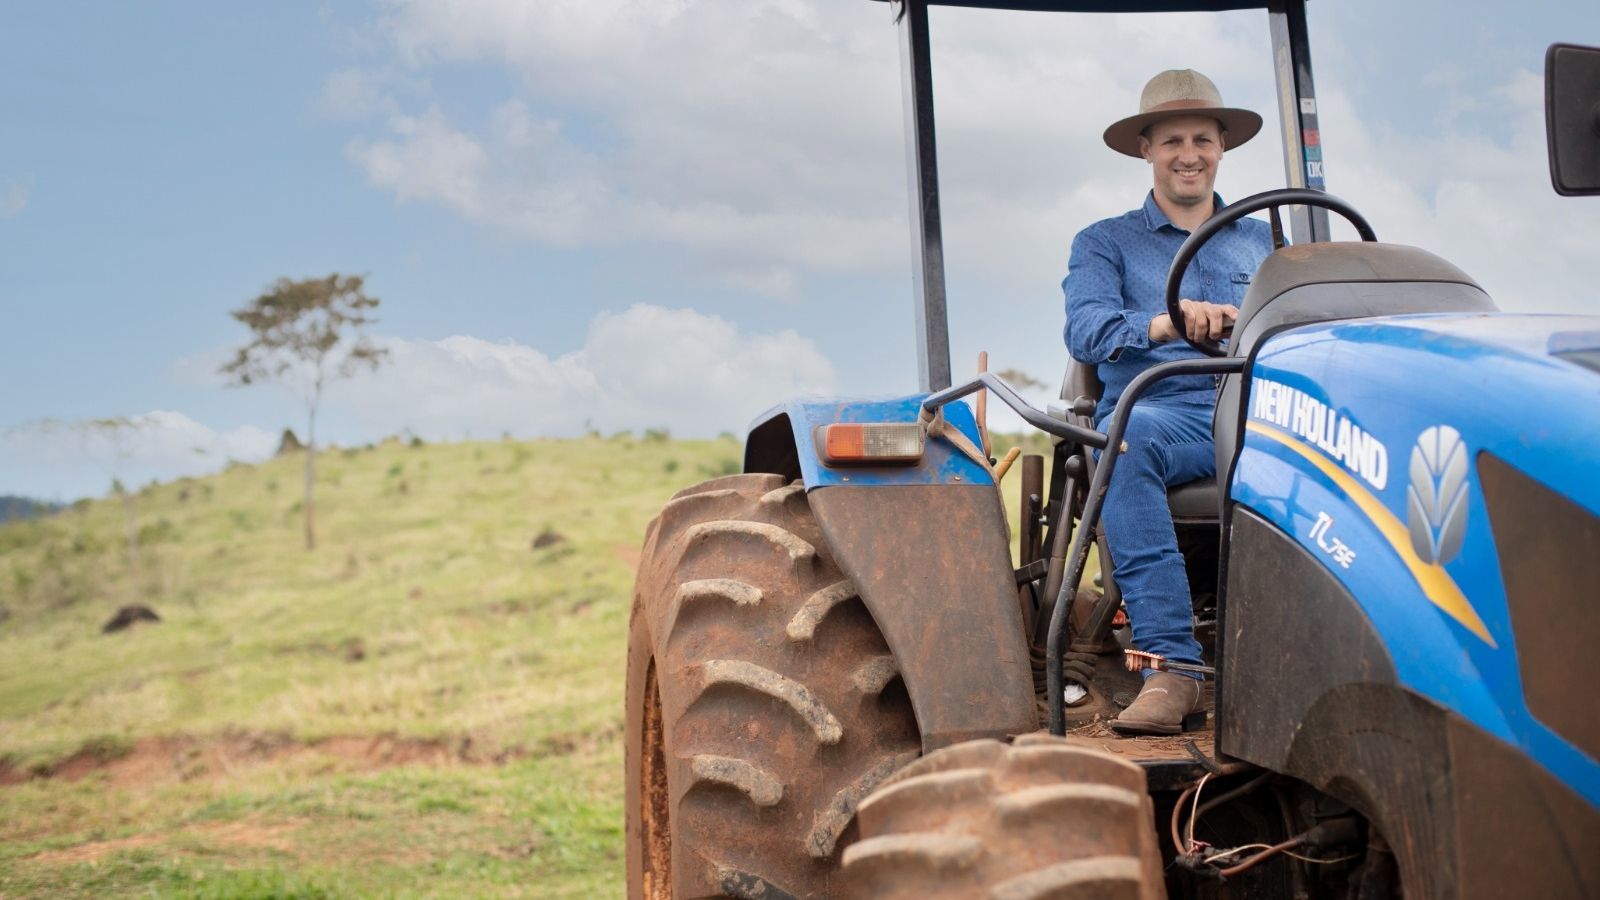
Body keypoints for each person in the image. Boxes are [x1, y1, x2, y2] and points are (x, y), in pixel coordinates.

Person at [1063, 69, 1273, 735]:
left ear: (1222, 147)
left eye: (1203, 139)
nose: (1189, 153)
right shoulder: (1105, 242)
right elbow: (1086, 330)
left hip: (1255, 407)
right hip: (1163, 411)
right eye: (1173, 140)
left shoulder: (1267, 242)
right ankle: (1173, 667)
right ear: (1146, 150)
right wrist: (1167, 321)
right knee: (1128, 434)